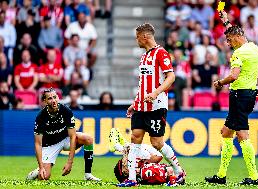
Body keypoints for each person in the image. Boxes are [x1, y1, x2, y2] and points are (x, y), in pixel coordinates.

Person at [117, 23, 185, 187]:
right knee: (135, 138)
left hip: (157, 105)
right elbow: (143, 84)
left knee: (157, 142)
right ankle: (132, 179)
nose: (136, 40)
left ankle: (178, 172)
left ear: (145, 36)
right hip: (141, 106)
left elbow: (171, 77)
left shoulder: (161, 53)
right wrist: (135, 102)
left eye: (137, 36)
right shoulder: (144, 56)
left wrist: (155, 93)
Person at [205, 10, 258, 185]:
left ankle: (254, 177)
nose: (228, 43)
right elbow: (234, 30)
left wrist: (220, 82)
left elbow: (234, 76)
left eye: (229, 40)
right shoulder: (252, 47)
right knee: (226, 133)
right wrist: (226, 21)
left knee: (242, 135)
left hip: (239, 95)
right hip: (249, 94)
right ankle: (221, 176)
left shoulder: (238, 54)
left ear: (237, 37)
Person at [26, 88, 101, 181]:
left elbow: (73, 136)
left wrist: (70, 162)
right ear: (44, 101)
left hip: (65, 140)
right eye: (50, 98)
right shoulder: (41, 117)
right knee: (44, 177)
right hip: (50, 145)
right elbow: (38, 144)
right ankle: (35, 173)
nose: (53, 100)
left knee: (88, 139)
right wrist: (41, 167)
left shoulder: (66, 111)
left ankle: (88, 175)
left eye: (55, 97)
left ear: (58, 97)